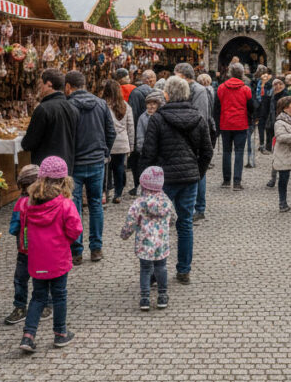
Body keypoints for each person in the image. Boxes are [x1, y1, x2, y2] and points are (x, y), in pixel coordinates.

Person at [140, 76, 213, 285]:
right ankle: (183, 270)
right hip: (189, 178)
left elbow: (149, 152)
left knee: (157, 224)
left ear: (167, 95)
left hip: (162, 180)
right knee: (185, 223)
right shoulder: (198, 117)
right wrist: (197, 172)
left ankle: (155, 272)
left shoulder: (158, 119)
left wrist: (145, 179)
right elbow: (207, 151)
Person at [16, 156, 81, 353]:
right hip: (58, 258)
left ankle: (28, 335)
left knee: (38, 296)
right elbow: (75, 229)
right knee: (59, 295)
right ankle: (60, 333)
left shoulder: (27, 204)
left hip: (36, 259)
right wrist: (66, 241)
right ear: (63, 181)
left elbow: (22, 228)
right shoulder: (65, 205)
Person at [66, 70, 116, 265]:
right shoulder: (101, 104)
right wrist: (104, 151)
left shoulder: (68, 105)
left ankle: (76, 250)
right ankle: (96, 248)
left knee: (75, 205)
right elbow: (110, 132)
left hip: (76, 162)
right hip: (96, 161)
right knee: (96, 204)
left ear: (69, 86)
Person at [120, 166, 175, 311]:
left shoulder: (139, 203)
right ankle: (162, 296)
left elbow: (130, 221)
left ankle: (145, 298)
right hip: (161, 243)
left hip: (144, 244)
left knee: (145, 269)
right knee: (161, 267)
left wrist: (125, 234)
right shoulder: (166, 201)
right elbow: (173, 218)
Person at [4, 164, 53, 325]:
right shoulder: (46, 201)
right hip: (43, 250)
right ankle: (46, 305)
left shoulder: (20, 204)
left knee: (20, 279)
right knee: (44, 277)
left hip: (24, 251)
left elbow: (13, 227)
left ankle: (20, 307)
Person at [174, 63, 214, 221]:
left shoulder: (199, 90)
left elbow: (201, 115)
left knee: (199, 172)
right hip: (182, 136)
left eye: (175, 74)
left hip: (195, 136)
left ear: (183, 75)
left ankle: (199, 207)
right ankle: (186, 206)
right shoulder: (181, 88)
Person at [21, 69, 79, 167]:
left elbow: (28, 143)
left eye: (41, 85)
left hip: (46, 168)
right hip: (66, 166)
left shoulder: (43, 109)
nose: (40, 89)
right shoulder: (73, 108)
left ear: (48, 84)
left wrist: (24, 141)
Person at [214, 62, 253, 190]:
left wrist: (217, 123)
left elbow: (217, 107)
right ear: (242, 73)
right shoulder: (246, 89)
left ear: (230, 73)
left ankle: (226, 181)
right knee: (239, 152)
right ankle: (236, 182)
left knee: (226, 152)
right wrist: (251, 118)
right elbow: (251, 107)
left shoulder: (221, 88)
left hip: (225, 123)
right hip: (241, 124)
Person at [102, 79, 134, 204]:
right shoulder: (126, 106)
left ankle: (107, 191)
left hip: (107, 142)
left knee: (106, 168)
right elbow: (130, 127)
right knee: (119, 168)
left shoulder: (103, 105)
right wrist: (131, 145)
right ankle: (118, 193)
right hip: (122, 142)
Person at [127, 69, 157, 196]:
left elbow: (133, 113)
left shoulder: (136, 92)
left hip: (139, 129)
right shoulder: (155, 92)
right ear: (150, 80)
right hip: (154, 129)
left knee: (138, 160)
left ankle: (138, 184)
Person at [265, 78, 289, 189]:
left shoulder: (286, 97)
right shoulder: (272, 96)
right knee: (276, 154)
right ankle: (273, 178)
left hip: (284, 128)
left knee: (284, 154)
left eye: (280, 84)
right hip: (274, 128)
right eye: (275, 84)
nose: (278, 86)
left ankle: (282, 178)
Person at [135, 90, 165, 162]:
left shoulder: (162, 116)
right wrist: (141, 151)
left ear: (158, 105)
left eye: (154, 103)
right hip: (147, 151)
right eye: (149, 103)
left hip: (161, 151)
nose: (151, 106)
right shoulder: (142, 118)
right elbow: (140, 136)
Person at [256, 71, 274, 154]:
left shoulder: (270, 86)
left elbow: (270, 98)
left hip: (267, 110)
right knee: (261, 128)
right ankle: (261, 144)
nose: (265, 79)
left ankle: (268, 145)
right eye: (263, 77)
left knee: (268, 128)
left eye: (266, 77)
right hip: (259, 110)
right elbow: (257, 97)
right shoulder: (258, 85)